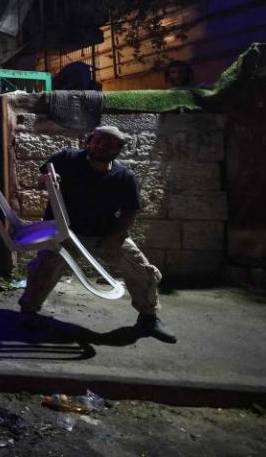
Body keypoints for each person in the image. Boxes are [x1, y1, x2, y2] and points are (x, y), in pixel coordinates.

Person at [18, 126, 177, 344]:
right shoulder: (67, 158)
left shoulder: (124, 176)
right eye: (98, 140)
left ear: (118, 150)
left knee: (142, 269)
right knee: (43, 267)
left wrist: (116, 236)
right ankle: (28, 312)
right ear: (90, 141)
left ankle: (149, 318)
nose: (102, 146)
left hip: (105, 234)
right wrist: (46, 181)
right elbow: (41, 178)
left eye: (110, 144)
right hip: (65, 232)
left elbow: (130, 211)